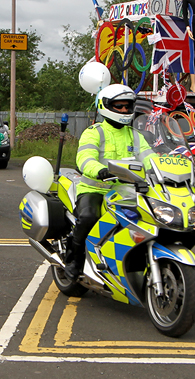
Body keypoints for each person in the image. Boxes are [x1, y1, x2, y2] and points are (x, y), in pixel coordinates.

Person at [64, 84, 154, 281]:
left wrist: (163, 171)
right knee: (88, 216)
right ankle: (74, 260)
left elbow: (150, 159)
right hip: (95, 189)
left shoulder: (136, 136)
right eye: (118, 106)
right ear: (105, 106)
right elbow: (85, 158)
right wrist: (100, 171)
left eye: (127, 106)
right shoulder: (94, 132)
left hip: (127, 191)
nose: (124, 110)